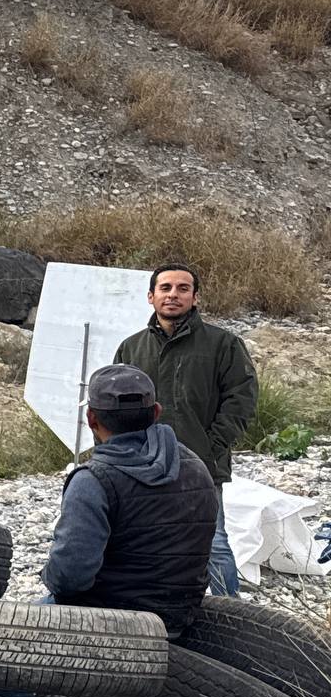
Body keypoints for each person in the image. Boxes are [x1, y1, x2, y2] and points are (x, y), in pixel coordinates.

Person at [41, 365, 220, 635]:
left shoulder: (92, 481)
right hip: (179, 619)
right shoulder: (196, 466)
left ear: (91, 418)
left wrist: (48, 574)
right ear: (156, 412)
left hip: (106, 622)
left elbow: (69, 578)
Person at [116, 262, 255, 596]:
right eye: (165, 288)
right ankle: (158, 612)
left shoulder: (223, 344)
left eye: (182, 289)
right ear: (151, 297)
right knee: (145, 543)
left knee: (213, 544)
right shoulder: (131, 348)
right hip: (144, 467)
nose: (173, 295)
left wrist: (210, 446)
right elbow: (113, 404)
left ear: (195, 298)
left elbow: (242, 400)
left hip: (203, 465)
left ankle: (232, 619)